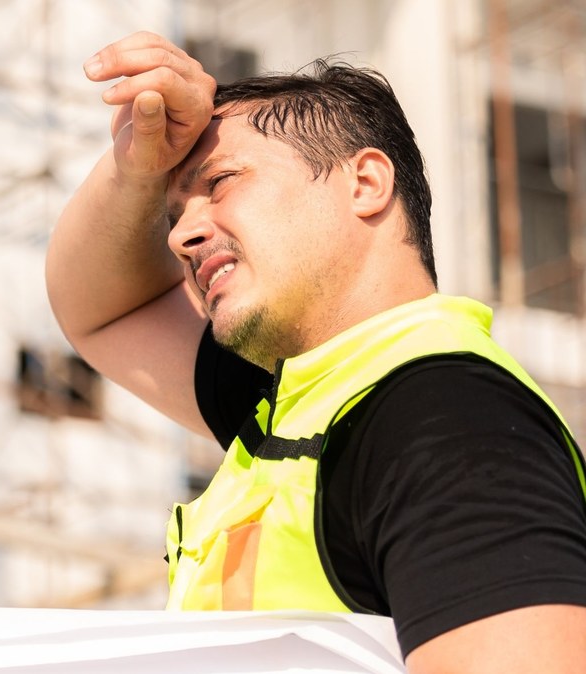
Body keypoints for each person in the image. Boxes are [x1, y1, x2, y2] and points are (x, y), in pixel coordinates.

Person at [46, 31, 586, 672]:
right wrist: (133, 167)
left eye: (219, 182)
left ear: (365, 182)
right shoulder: (306, 403)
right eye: (173, 215)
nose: (184, 235)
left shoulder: (444, 423)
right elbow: (100, 308)